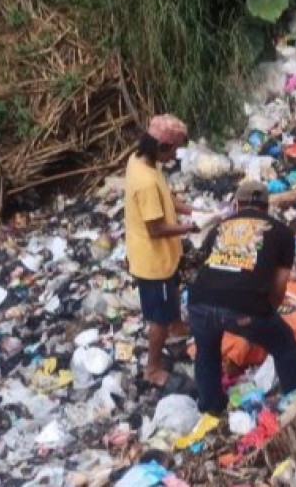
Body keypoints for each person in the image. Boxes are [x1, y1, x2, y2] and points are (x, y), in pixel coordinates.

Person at [188, 180, 296, 416]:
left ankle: (210, 408)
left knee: (207, 351)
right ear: (267, 208)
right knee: (283, 342)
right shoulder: (281, 232)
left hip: (199, 300)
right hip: (242, 304)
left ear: (237, 205)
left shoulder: (220, 227)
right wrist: (265, 317)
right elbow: (278, 287)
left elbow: (209, 265)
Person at [124, 114, 195, 387]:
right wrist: (190, 228)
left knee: (173, 291)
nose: (175, 155)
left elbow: (165, 196)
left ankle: (177, 329)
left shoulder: (140, 161)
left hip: (162, 255)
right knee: (158, 318)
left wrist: (192, 210)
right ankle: (152, 368)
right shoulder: (146, 181)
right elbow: (156, 229)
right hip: (153, 262)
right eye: (174, 149)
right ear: (161, 147)